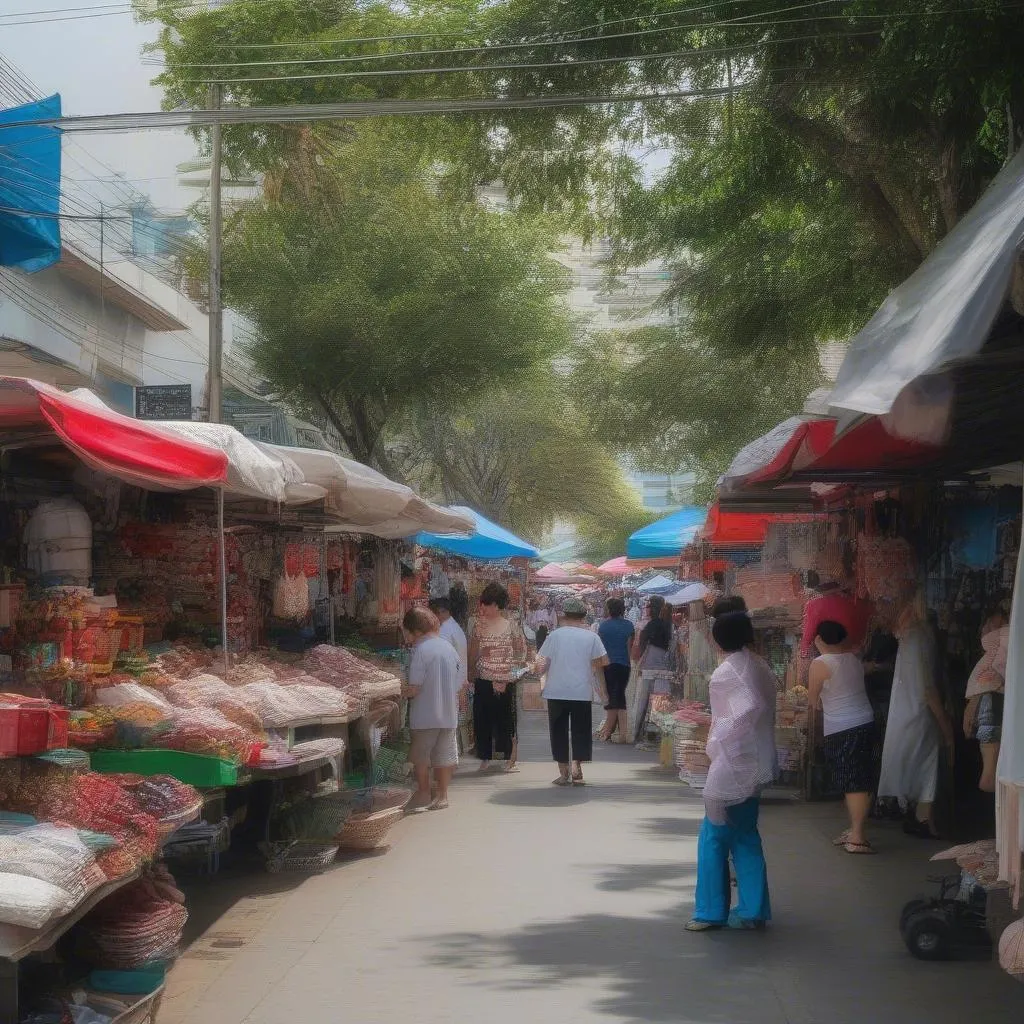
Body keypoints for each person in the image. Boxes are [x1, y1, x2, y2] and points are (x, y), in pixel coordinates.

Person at [687, 611, 777, 932]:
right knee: (746, 836)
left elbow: (740, 713)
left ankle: (710, 912)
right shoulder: (761, 666)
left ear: (716, 639)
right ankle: (753, 910)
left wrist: (716, 739)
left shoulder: (726, 672)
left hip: (732, 764)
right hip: (756, 763)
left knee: (713, 838)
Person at [877, 592, 954, 838]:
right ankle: (923, 817)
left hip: (908, 715)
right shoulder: (920, 639)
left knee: (915, 764)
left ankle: (920, 816)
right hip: (920, 716)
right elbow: (928, 689)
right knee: (927, 765)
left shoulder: (912, 639)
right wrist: (946, 728)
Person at [808, 620, 877, 854]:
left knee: (853, 781)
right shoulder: (853, 660)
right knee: (859, 777)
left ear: (819, 639)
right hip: (864, 721)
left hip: (842, 727)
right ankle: (855, 830)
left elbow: (813, 701)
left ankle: (857, 836)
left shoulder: (820, 663)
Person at [536, 597, 609, 786]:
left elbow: (542, 663)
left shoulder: (554, 636)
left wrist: (538, 677)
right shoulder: (592, 637)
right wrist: (603, 693)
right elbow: (602, 664)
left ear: (564, 615)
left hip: (556, 690)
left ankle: (563, 772)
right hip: (581, 691)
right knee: (581, 730)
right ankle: (577, 767)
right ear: (583, 616)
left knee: (558, 731)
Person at [401, 607, 463, 812]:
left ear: (415, 631)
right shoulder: (448, 648)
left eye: (406, 632)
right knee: (444, 755)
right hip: (448, 713)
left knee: (421, 756)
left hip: (425, 714)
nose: (406, 637)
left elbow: (415, 687)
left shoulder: (421, 651)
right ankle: (443, 796)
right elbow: (458, 682)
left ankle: (424, 792)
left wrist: (399, 691)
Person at [469, 582, 527, 773]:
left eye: (486, 604)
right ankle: (485, 756)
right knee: (482, 719)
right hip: (484, 679)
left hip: (506, 679)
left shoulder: (511, 625)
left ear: (496, 605)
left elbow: (520, 651)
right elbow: (473, 652)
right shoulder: (478, 625)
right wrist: (471, 674)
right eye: (482, 604)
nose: (482, 608)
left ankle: (510, 758)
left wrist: (510, 675)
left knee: (506, 720)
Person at [630, 595, 674, 742]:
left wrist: (638, 662)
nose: (646, 609)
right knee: (660, 703)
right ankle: (661, 734)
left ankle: (636, 732)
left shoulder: (649, 626)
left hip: (648, 665)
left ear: (652, 608)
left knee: (642, 702)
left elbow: (641, 646)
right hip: (664, 667)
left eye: (648, 606)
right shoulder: (669, 625)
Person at [597, 597, 635, 742]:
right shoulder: (629, 626)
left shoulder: (603, 626)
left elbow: (601, 649)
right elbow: (629, 647)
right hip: (624, 665)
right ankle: (620, 732)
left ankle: (610, 731)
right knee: (619, 695)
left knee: (613, 696)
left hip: (607, 665)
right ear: (622, 610)